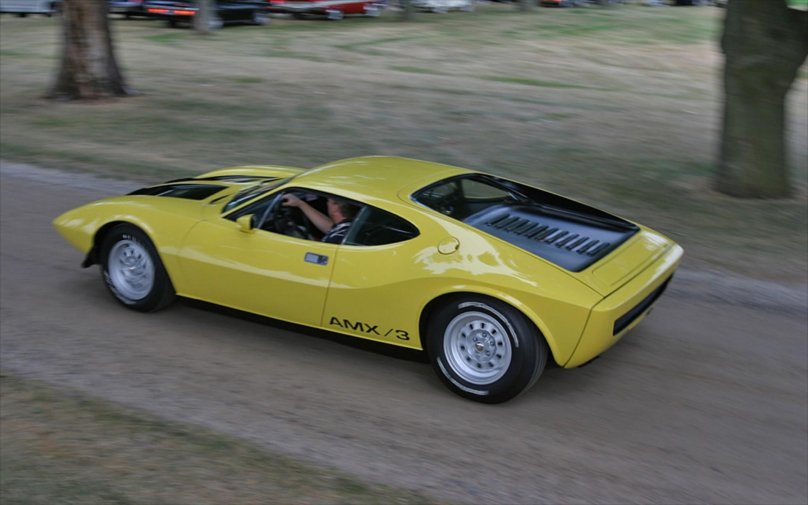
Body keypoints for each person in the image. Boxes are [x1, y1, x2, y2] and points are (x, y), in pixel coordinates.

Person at [281, 193, 356, 244]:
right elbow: (329, 228)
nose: (326, 203)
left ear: (336, 207)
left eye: (328, 201)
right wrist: (300, 203)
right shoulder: (352, 226)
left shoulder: (335, 239)